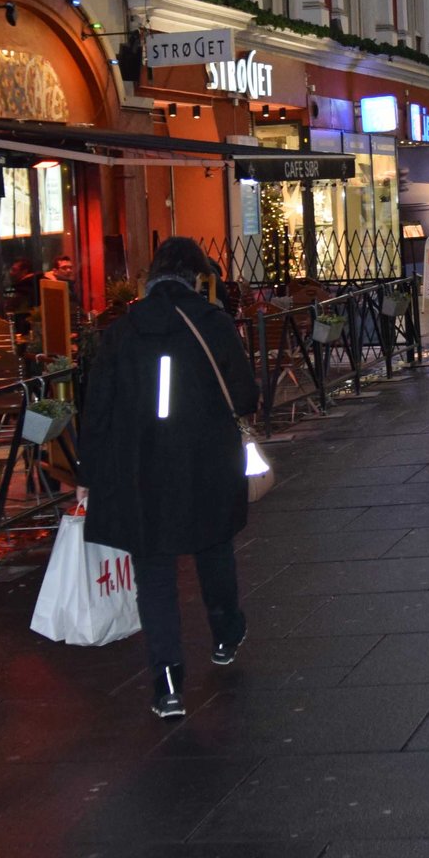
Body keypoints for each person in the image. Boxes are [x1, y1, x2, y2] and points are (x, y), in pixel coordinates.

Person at [79, 236, 256, 719]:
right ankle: (225, 632)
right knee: (213, 546)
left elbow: (97, 410)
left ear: (151, 276)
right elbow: (244, 395)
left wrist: (88, 472)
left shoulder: (121, 332)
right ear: (197, 277)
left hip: (141, 469)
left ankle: (169, 684)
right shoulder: (213, 325)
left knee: (153, 572)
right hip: (205, 463)